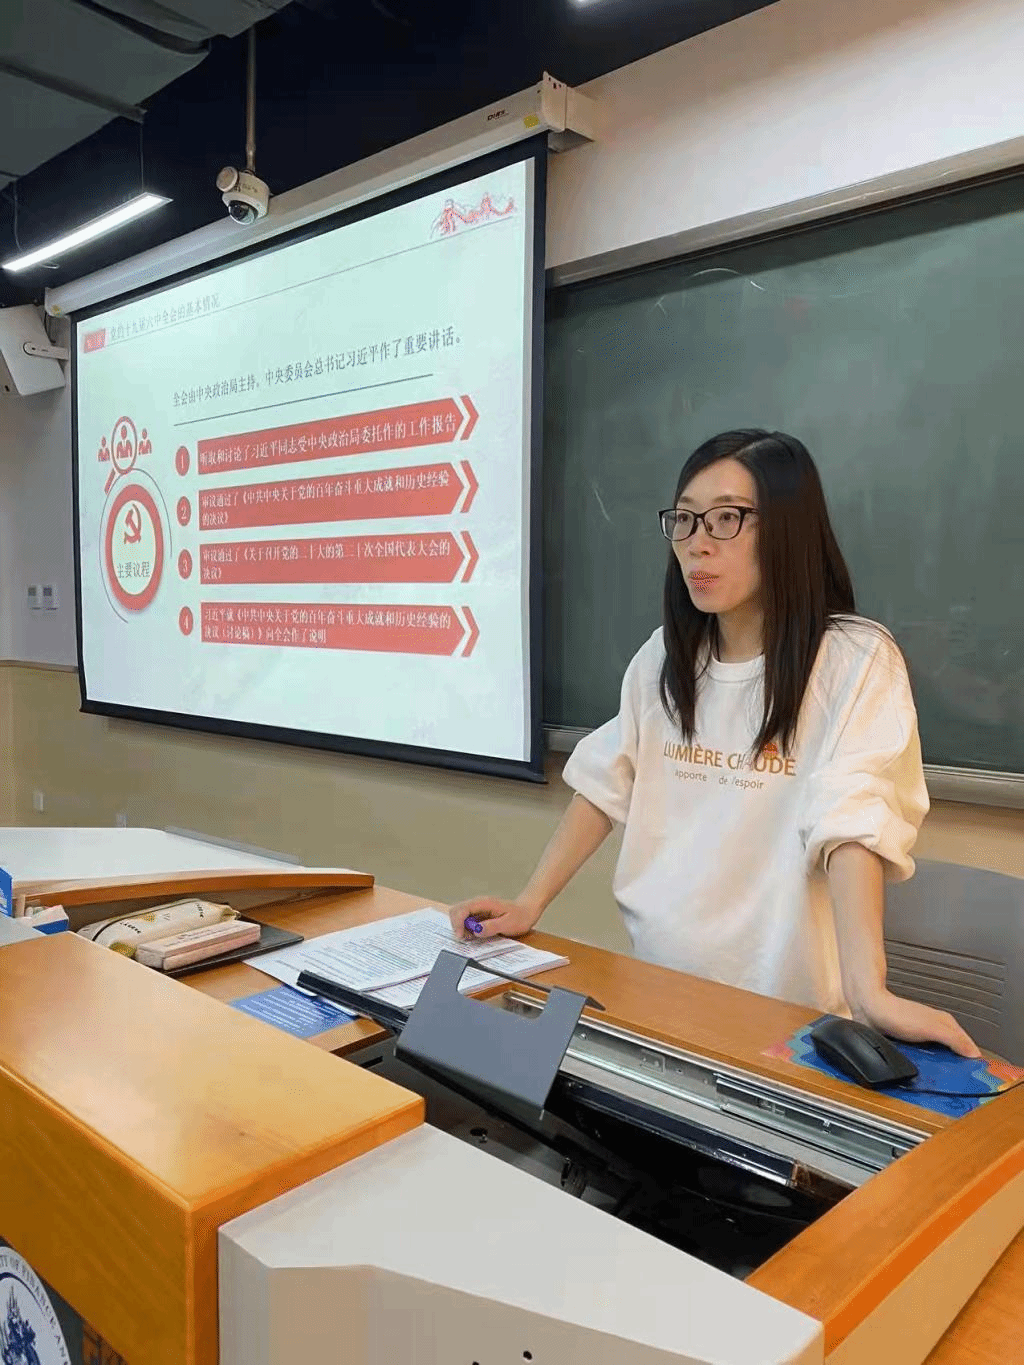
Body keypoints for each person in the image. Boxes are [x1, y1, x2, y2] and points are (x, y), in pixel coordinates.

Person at [451, 429, 979, 1058]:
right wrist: (529, 902)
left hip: (787, 1022)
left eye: (727, 518)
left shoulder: (853, 659)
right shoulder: (665, 658)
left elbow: (853, 820)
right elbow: (605, 781)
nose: (697, 542)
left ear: (787, 529)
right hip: (658, 994)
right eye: (685, 519)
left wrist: (870, 994)